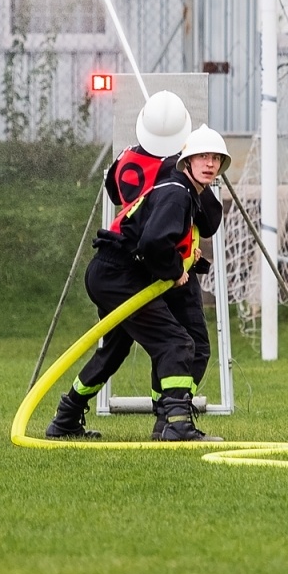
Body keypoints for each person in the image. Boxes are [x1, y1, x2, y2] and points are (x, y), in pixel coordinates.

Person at [45, 120, 233, 443]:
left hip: (109, 273)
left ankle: (66, 417)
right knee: (177, 342)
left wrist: (188, 261)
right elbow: (152, 243)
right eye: (203, 157)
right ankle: (175, 423)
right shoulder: (177, 193)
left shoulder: (178, 189)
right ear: (186, 161)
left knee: (115, 349)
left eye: (215, 159)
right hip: (119, 275)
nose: (210, 164)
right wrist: (176, 271)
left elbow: (156, 235)